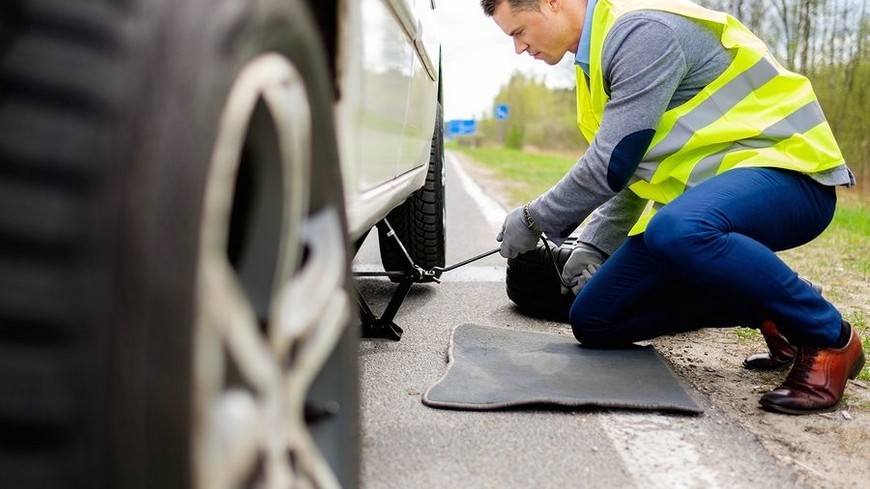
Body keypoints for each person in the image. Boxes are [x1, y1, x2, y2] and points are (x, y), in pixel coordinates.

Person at [482, 0, 864, 415]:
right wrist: (594, 244)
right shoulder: (591, 66)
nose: (519, 48)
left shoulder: (640, 32)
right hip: (709, 207)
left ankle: (830, 337)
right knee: (595, 318)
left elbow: (611, 161)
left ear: (553, 2)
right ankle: (775, 305)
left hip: (791, 176)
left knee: (674, 230)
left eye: (518, 32)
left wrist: (534, 219)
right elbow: (632, 169)